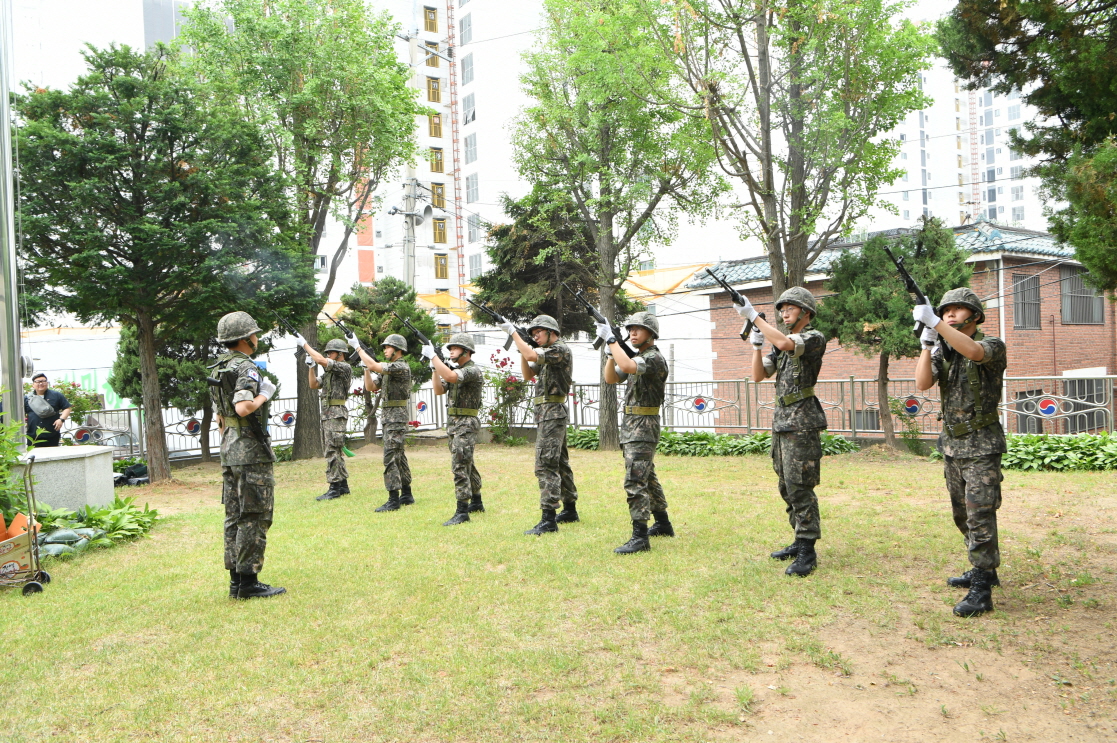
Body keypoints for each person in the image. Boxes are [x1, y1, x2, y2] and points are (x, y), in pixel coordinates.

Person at [913, 288, 1007, 618]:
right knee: (961, 515)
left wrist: (937, 323)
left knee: (980, 515)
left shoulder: (991, 345)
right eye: (946, 309)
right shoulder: (944, 351)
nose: (951, 313)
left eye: (958, 309)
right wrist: (927, 344)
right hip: (952, 446)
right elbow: (923, 383)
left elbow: (975, 352)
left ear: (975, 316)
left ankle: (981, 588)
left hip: (982, 446)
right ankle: (985, 570)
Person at [744, 287, 827, 577]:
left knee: (800, 485)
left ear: (806, 312)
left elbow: (786, 342)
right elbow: (758, 375)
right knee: (785, 484)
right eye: (782, 309)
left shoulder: (813, 338)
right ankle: (798, 538)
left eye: (790, 307)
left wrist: (755, 317)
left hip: (802, 423)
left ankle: (808, 550)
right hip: (782, 422)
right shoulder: (779, 345)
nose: (784, 312)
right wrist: (756, 345)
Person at [210, 311, 285, 599]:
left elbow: (221, 416)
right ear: (244, 339)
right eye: (254, 334)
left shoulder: (219, 367)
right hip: (250, 451)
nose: (256, 338)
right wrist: (265, 393)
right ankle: (249, 582)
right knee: (254, 515)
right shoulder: (246, 368)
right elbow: (243, 407)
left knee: (234, 515)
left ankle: (236, 582)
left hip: (230, 447)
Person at [600, 311, 671, 554]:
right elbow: (611, 378)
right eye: (630, 329)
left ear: (651, 334)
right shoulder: (640, 356)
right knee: (646, 475)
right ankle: (662, 523)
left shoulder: (653, 358)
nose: (632, 333)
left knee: (635, 479)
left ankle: (640, 536)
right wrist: (611, 354)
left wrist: (612, 341)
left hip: (643, 424)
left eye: (638, 329)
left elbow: (628, 365)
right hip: (633, 424)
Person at [503, 314, 578, 535]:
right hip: (548, 413)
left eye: (539, 332)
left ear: (552, 332)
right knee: (560, 462)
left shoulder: (560, 349)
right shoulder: (547, 353)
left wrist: (514, 334)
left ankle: (548, 518)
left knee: (545, 464)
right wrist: (522, 349)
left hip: (552, 412)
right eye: (533, 333)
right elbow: (528, 373)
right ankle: (570, 508)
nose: (535, 335)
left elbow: (531, 353)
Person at [425, 333, 484, 525]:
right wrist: (434, 369)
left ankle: (462, 510)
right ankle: (476, 501)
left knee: (459, 464)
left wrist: (434, 356)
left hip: (466, 422)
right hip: (456, 423)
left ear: (466, 351)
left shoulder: (471, 370)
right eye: (450, 348)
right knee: (467, 462)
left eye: (455, 348)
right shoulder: (457, 370)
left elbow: (450, 376)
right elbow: (439, 390)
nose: (451, 351)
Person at [356, 334, 415, 512]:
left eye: (387, 347)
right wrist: (366, 369)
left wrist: (358, 349)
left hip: (396, 416)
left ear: (397, 349)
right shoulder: (391, 370)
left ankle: (393, 499)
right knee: (398, 455)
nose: (384, 350)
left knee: (390, 456)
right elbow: (371, 387)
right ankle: (406, 493)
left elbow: (375, 365)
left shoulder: (399, 366)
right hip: (390, 416)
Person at [303, 338, 354, 502]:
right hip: (328, 413)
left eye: (331, 352)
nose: (328, 355)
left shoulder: (344, 367)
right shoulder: (330, 373)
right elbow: (313, 384)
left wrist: (305, 344)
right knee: (335, 449)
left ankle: (334, 487)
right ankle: (343, 485)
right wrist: (311, 367)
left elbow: (320, 360)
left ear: (340, 354)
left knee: (332, 450)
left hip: (336, 413)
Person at [24, 373, 73, 447]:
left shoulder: (56, 395)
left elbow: (67, 408)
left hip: (51, 434)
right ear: (33, 385)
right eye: (37, 382)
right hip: (33, 435)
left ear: (47, 383)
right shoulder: (27, 398)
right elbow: (22, 412)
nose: (41, 383)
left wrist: (61, 419)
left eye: (43, 381)